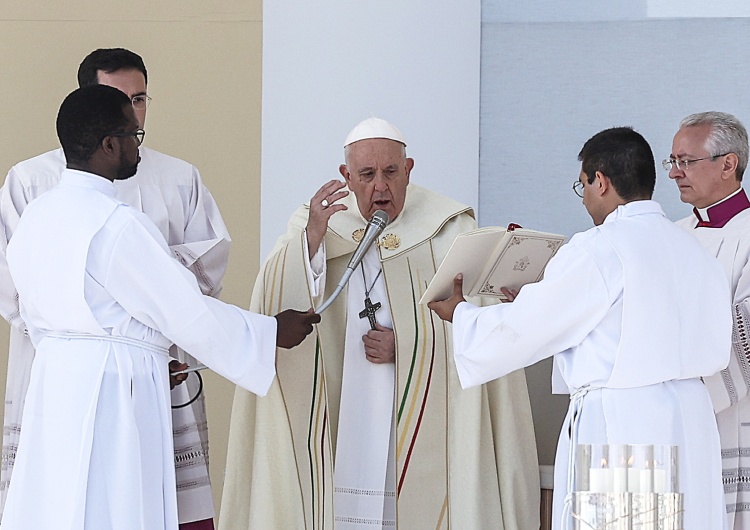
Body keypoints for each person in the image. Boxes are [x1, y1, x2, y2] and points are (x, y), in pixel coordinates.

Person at [0, 84, 319, 530]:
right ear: (109, 145)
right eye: (133, 135)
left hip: (55, 384)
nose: (138, 146)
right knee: (115, 505)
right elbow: (185, 311)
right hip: (114, 388)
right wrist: (269, 332)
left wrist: (146, 347)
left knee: (57, 505)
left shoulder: (38, 215)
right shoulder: (116, 224)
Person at [220, 117, 540, 530]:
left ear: (408, 170)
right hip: (345, 401)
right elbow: (276, 301)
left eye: (391, 172)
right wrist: (313, 241)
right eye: (367, 175)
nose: (380, 187)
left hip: (416, 412)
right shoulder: (317, 224)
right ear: (347, 177)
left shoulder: (448, 229)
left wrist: (408, 346)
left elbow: (478, 327)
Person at [429, 127, 731, 530]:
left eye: (583, 185)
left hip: (626, 424)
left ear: (600, 181)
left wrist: (463, 314)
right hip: (691, 419)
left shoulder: (600, 246)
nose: (585, 196)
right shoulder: (692, 246)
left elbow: (526, 329)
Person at [0, 48, 227, 528]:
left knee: (131, 494)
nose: (133, 112)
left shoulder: (178, 176)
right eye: (120, 99)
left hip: (153, 365)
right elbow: (14, 284)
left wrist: (156, 341)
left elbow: (206, 262)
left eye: (140, 99)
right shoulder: (30, 181)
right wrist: (101, 331)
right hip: (68, 365)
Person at [668, 111, 750, 529]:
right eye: (672, 161)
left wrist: (695, 394)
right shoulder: (670, 235)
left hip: (730, 411)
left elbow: (747, 327)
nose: (673, 173)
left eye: (685, 161)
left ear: (728, 164)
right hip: (671, 411)